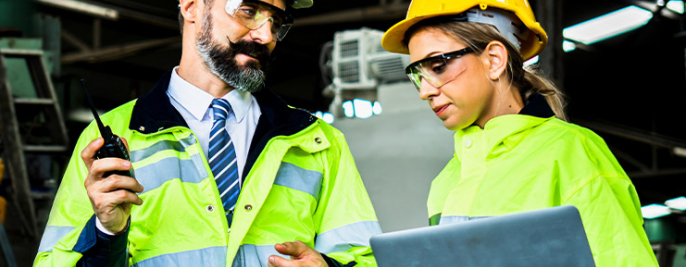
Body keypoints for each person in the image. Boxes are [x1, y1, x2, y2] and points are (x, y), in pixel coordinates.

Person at [34, 0, 381, 266]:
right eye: (248, 11)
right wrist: (107, 233)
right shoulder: (110, 140)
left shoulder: (319, 142)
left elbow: (367, 258)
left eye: (277, 20)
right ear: (190, 6)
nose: (266, 35)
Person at [381, 0, 658, 266]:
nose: (425, 91)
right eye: (417, 74)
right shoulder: (447, 180)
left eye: (438, 67)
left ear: (494, 59)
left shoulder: (571, 152)